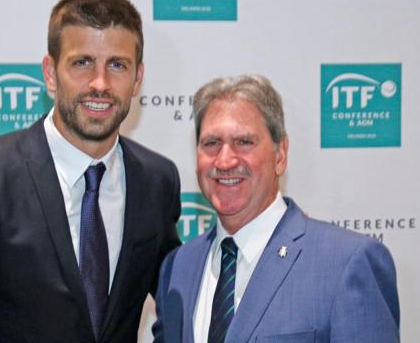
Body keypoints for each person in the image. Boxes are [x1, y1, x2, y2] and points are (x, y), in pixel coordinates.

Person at [0, 0, 182, 342]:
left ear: (137, 78)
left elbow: (179, 304)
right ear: (50, 73)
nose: (100, 83)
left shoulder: (157, 180)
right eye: (82, 63)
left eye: (117, 65)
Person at [152, 75, 399, 343]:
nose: (224, 160)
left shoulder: (346, 263)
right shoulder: (178, 267)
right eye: (211, 143)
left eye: (244, 142)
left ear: (280, 155)